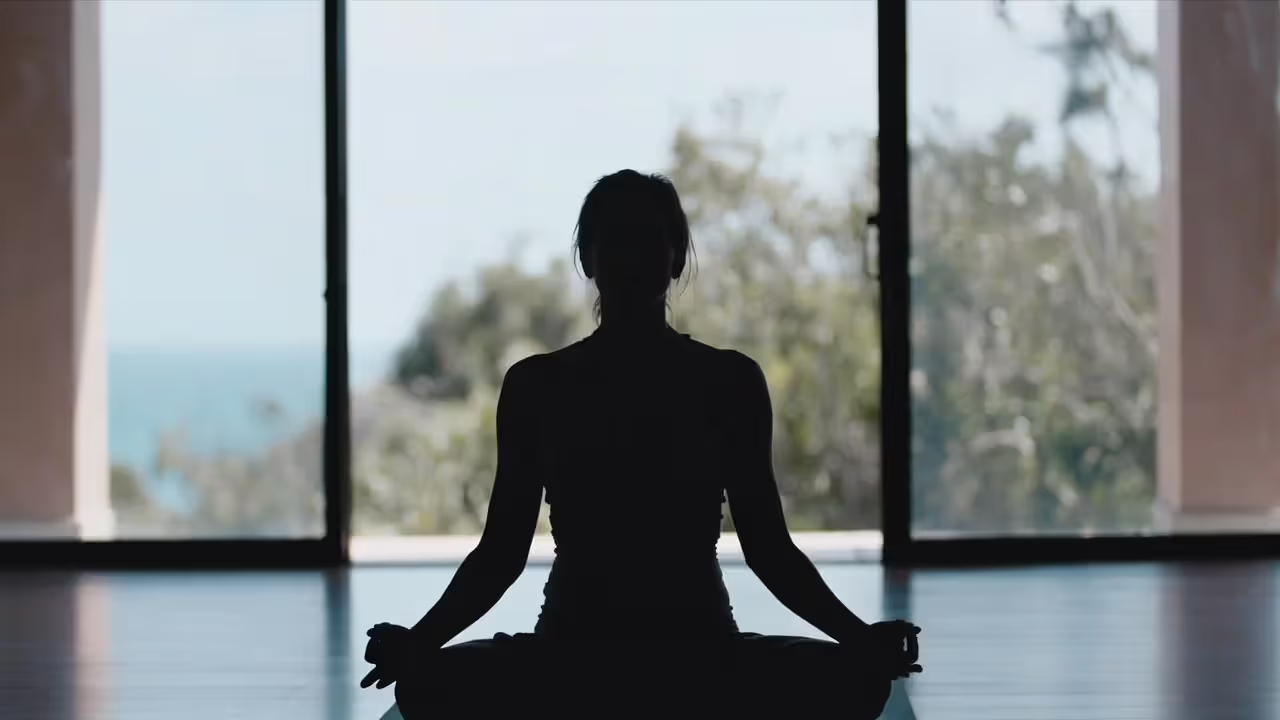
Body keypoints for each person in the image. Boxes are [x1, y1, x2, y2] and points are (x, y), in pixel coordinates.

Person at [361, 170, 921, 717]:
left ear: (676, 257)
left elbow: (770, 549)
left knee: (860, 677)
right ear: (589, 258)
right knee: (423, 683)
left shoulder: (727, 382)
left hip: (682, 658)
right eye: (616, 241)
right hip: (587, 659)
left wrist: (859, 640)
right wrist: (419, 642)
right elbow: (500, 553)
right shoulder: (538, 386)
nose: (630, 257)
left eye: (645, 241)